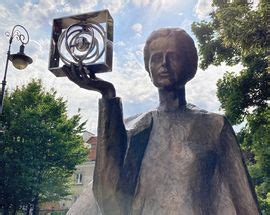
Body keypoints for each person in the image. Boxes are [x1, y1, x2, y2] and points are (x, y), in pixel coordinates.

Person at [65, 28, 260, 215]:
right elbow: (110, 200)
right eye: (156, 58)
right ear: (148, 67)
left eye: (173, 56)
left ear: (189, 64)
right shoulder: (134, 127)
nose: (164, 63)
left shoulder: (214, 126)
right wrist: (107, 96)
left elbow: (243, 200)